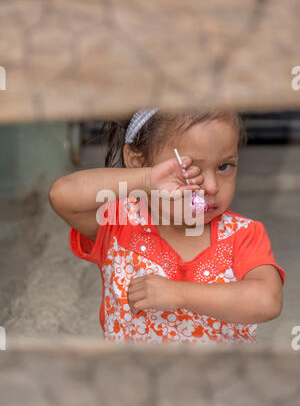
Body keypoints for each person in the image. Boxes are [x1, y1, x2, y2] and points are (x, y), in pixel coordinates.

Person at [49, 108, 286, 345]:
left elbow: (267, 301)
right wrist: (145, 180)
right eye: (190, 169)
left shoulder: (243, 234)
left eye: (224, 166)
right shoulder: (120, 224)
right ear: (137, 160)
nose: (212, 186)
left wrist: (178, 294)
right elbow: (62, 195)